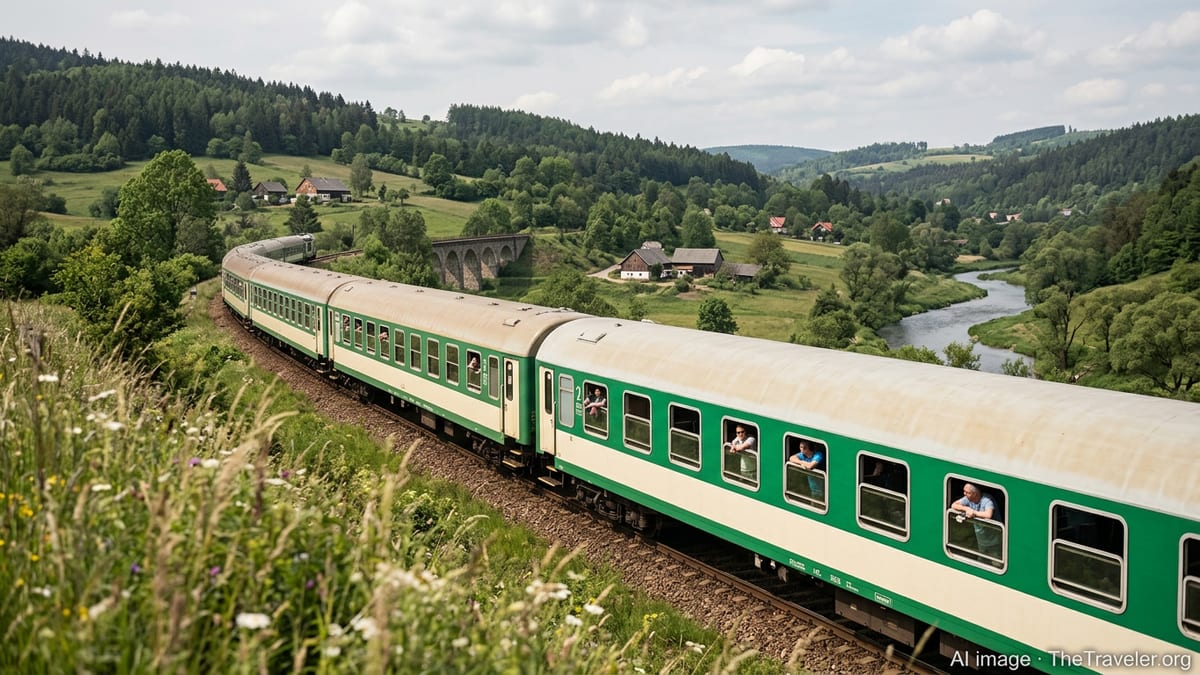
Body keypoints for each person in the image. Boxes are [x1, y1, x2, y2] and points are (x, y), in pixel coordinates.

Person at [951, 483, 1002, 559]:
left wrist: (974, 513)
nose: (964, 494)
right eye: (964, 491)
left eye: (967, 492)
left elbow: (988, 514)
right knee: (981, 559)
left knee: (995, 561)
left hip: (994, 541)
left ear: (974, 494)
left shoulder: (987, 500)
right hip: (981, 539)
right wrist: (967, 509)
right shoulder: (968, 498)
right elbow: (954, 505)